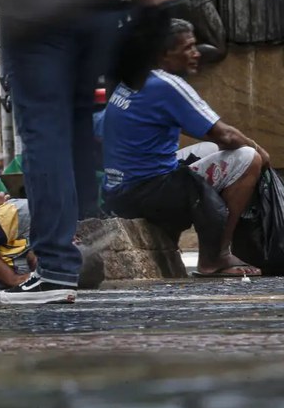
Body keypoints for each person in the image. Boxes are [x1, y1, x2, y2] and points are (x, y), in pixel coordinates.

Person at [103, 18, 268, 278]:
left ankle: (198, 246)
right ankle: (215, 256)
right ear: (164, 54)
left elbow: (205, 132)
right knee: (249, 159)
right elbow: (225, 133)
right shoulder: (166, 84)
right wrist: (261, 151)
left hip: (120, 191)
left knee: (209, 148)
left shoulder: (134, 78)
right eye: (188, 47)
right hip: (148, 192)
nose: (196, 53)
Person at [0, 0, 124, 304]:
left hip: (40, 9)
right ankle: (84, 234)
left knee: (44, 130)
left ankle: (55, 265)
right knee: (76, 123)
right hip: (98, 7)